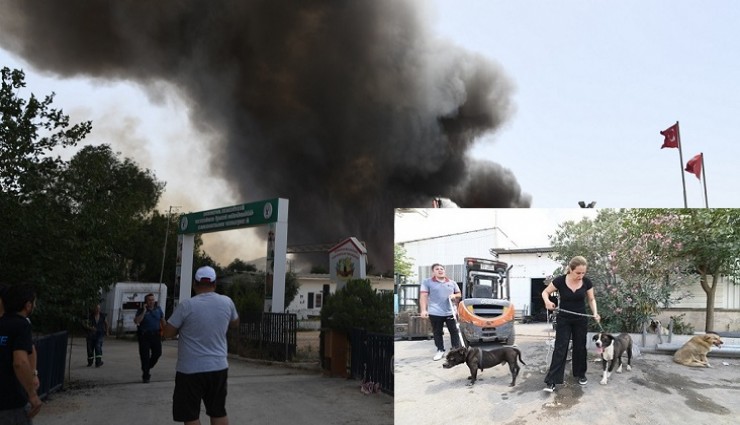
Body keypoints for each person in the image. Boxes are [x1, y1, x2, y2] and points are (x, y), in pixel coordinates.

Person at [163, 266, 239, 425]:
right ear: (215, 284)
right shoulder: (227, 302)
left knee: (190, 415)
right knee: (218, 411)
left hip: (190, 370)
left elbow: (168, 333)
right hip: (218, 367)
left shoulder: (186, 306)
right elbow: (235, 323)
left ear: (194, 284)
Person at [542, 255, 601, 392]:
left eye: (583, 273)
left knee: (580, 347)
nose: (581, 275)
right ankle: (552, 381)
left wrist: (595, 312)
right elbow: (545, 292)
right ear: (570, 270)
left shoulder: (586, 282)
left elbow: (591, 299)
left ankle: (580, 374)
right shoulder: (560, 281)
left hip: (580, 319)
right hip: (564, 319)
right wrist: (547, 301)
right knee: (560, 347)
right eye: (578, 273)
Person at [0, 284, 43, 423]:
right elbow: (20, 362)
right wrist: (32, 394)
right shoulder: (21, 325)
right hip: (11, 401)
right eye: (34, 302)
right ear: (28, 305)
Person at [419, 263, 462, 361]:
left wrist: (454, 296)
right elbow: (423, 296)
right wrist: (423, 310)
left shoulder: (452, 282)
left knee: (454, 332)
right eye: (437, 269)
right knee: (437, 332)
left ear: (444, 270)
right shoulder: (427, 282)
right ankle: (440, 350)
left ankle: (455, 350)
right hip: (435, 312)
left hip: (450, 311)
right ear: (433, 271)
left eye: (441, 269)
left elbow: (459, 294)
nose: (440, 270)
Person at [134, 293, 166, 383]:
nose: (151, 302)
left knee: (157, 353)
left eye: (153, 300)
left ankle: (147, 367)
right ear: (146, 302)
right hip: (144, 336)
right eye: (149, 300)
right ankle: (146, 375)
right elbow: (137, 321)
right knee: (145, 356)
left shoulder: (158, 309)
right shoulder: (141, 310)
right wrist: (144, 311)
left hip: (155, 335)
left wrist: (166, 331)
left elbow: (163, 321)